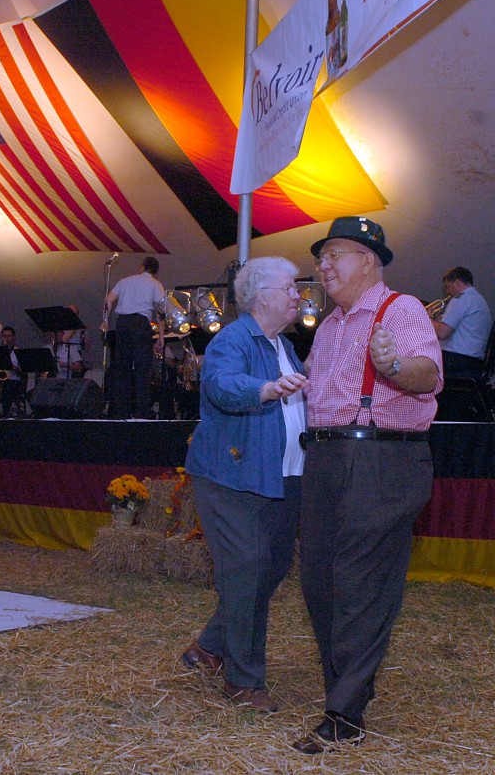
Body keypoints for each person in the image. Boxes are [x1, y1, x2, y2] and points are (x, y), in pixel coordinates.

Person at [293, 217, 443, 754]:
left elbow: (427, 374)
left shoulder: (398, 308)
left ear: (369, 261)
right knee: (318, 578)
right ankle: (353, 683)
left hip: (380, 460)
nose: (323, 266)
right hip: (328, 458)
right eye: (320, 258)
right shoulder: (330, 325)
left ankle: (345, 713)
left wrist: (394, 364)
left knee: (360, 581)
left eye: (335, 254)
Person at [182, 257, 308, 713]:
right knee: (248, 571)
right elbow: (221, 385)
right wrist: (266, 390)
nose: (298, 295)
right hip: (233, 478)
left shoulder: (283, 345)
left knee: (269, 568)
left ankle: (209, 648)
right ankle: (243, 680)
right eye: (290, 287)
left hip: (281, 478)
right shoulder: (232, 340)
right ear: (263, 296)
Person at [102, 256, 165, 419]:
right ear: (155, 272)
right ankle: (141, 413)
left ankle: (120, 412)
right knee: (142, 369)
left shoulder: (125, 281)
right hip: (140, 323)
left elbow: (108, 299)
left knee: (122, 368)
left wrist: (105, 320)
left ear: (142, 267)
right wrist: (161, 336)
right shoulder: (155, 284)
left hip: (122, 323)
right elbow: (161, 312)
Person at [428, 266, 492, 378]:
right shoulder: (478, 300)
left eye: (447, 287)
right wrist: (436, 319)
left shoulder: (461, 299)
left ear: (457, 283)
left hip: (457, 360)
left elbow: (443, 333)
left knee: (419, 362)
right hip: (472, 361)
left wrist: (427, 318)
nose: (447, 292)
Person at [0, 326, 26, 417]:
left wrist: (13, 367)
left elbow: (23, 372)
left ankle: (5, 414)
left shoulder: (19, 352)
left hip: (14, 381)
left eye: (9, 336)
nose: (6, 338)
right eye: (4, 336)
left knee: (9, 387)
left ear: (14, 337)